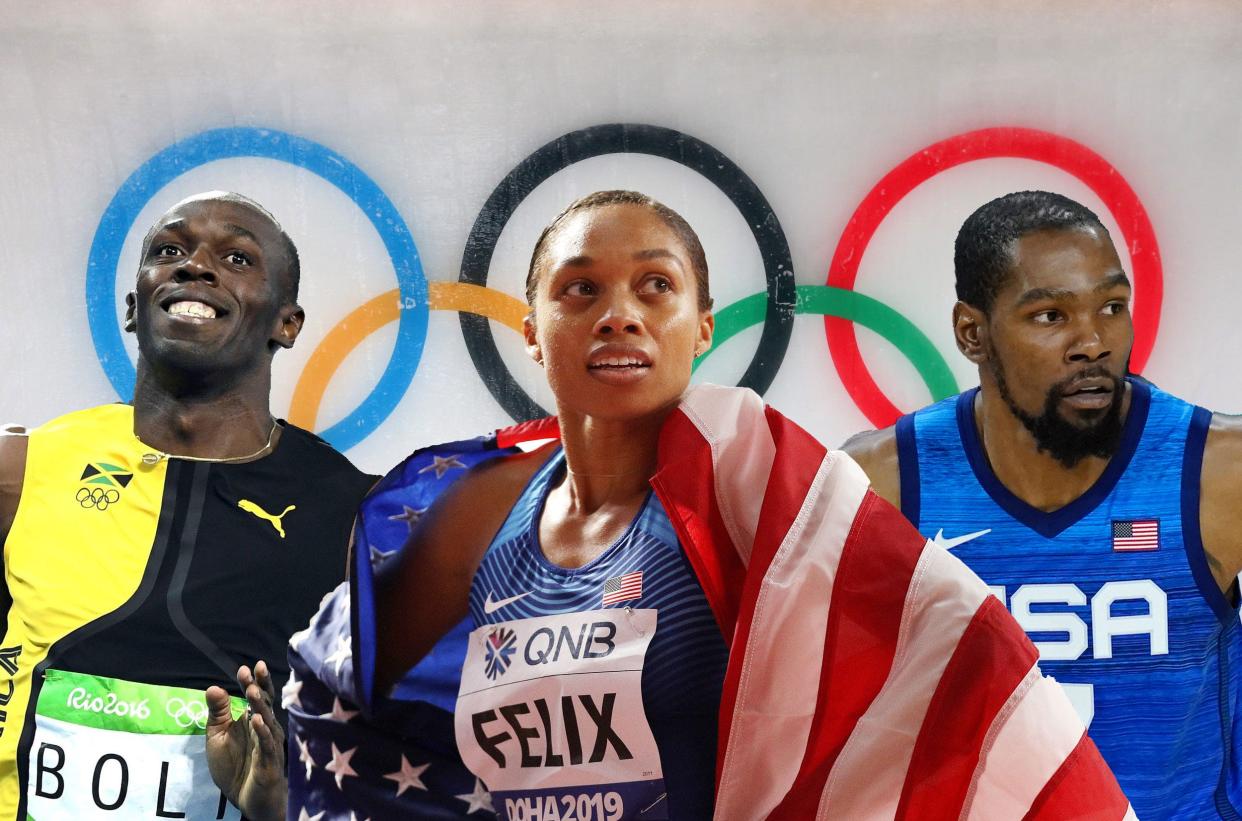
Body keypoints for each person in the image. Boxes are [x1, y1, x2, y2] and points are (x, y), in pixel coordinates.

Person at [221, 190, 1130, 819]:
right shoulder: (470, 526)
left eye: (655, 286)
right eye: (582, 290)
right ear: (532, 329)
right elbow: (368, 730)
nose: (620, 313)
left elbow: (968, 684)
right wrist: (282, 795)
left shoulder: (773, 516)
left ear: (701, 326)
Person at [843, 189, 1242, 819]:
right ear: (973, 333)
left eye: (1112, 307)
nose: (1093, 343)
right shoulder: (881, 483)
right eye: (1051, 316)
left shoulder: (1220, 470)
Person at [0, 192, 375, 820]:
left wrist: (277, 802)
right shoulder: (23, 470)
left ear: (288, 323)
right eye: (169, 251)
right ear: (133, 307)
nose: (195, 266)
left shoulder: (354, 512)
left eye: (237, 258)